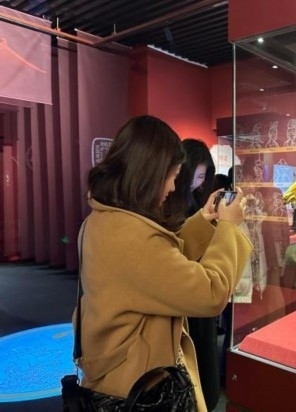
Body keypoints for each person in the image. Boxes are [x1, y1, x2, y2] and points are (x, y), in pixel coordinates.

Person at [78, 115, 252, 412]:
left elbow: (160, 265)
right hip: (138, 388)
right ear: (149, 174)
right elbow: (210, 292)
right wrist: (229, 228)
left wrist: (203, 222)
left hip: (116, 375)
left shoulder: (105, 219)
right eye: (172, 175)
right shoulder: (132, 236)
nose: (173, 186)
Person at [163, 138, 224, 411]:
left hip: (198, 287)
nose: (199, 183)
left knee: (202, 356)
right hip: (186, 291)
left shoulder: (196, 200)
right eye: (196, 176)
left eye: (203, 177)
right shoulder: (162, 208)